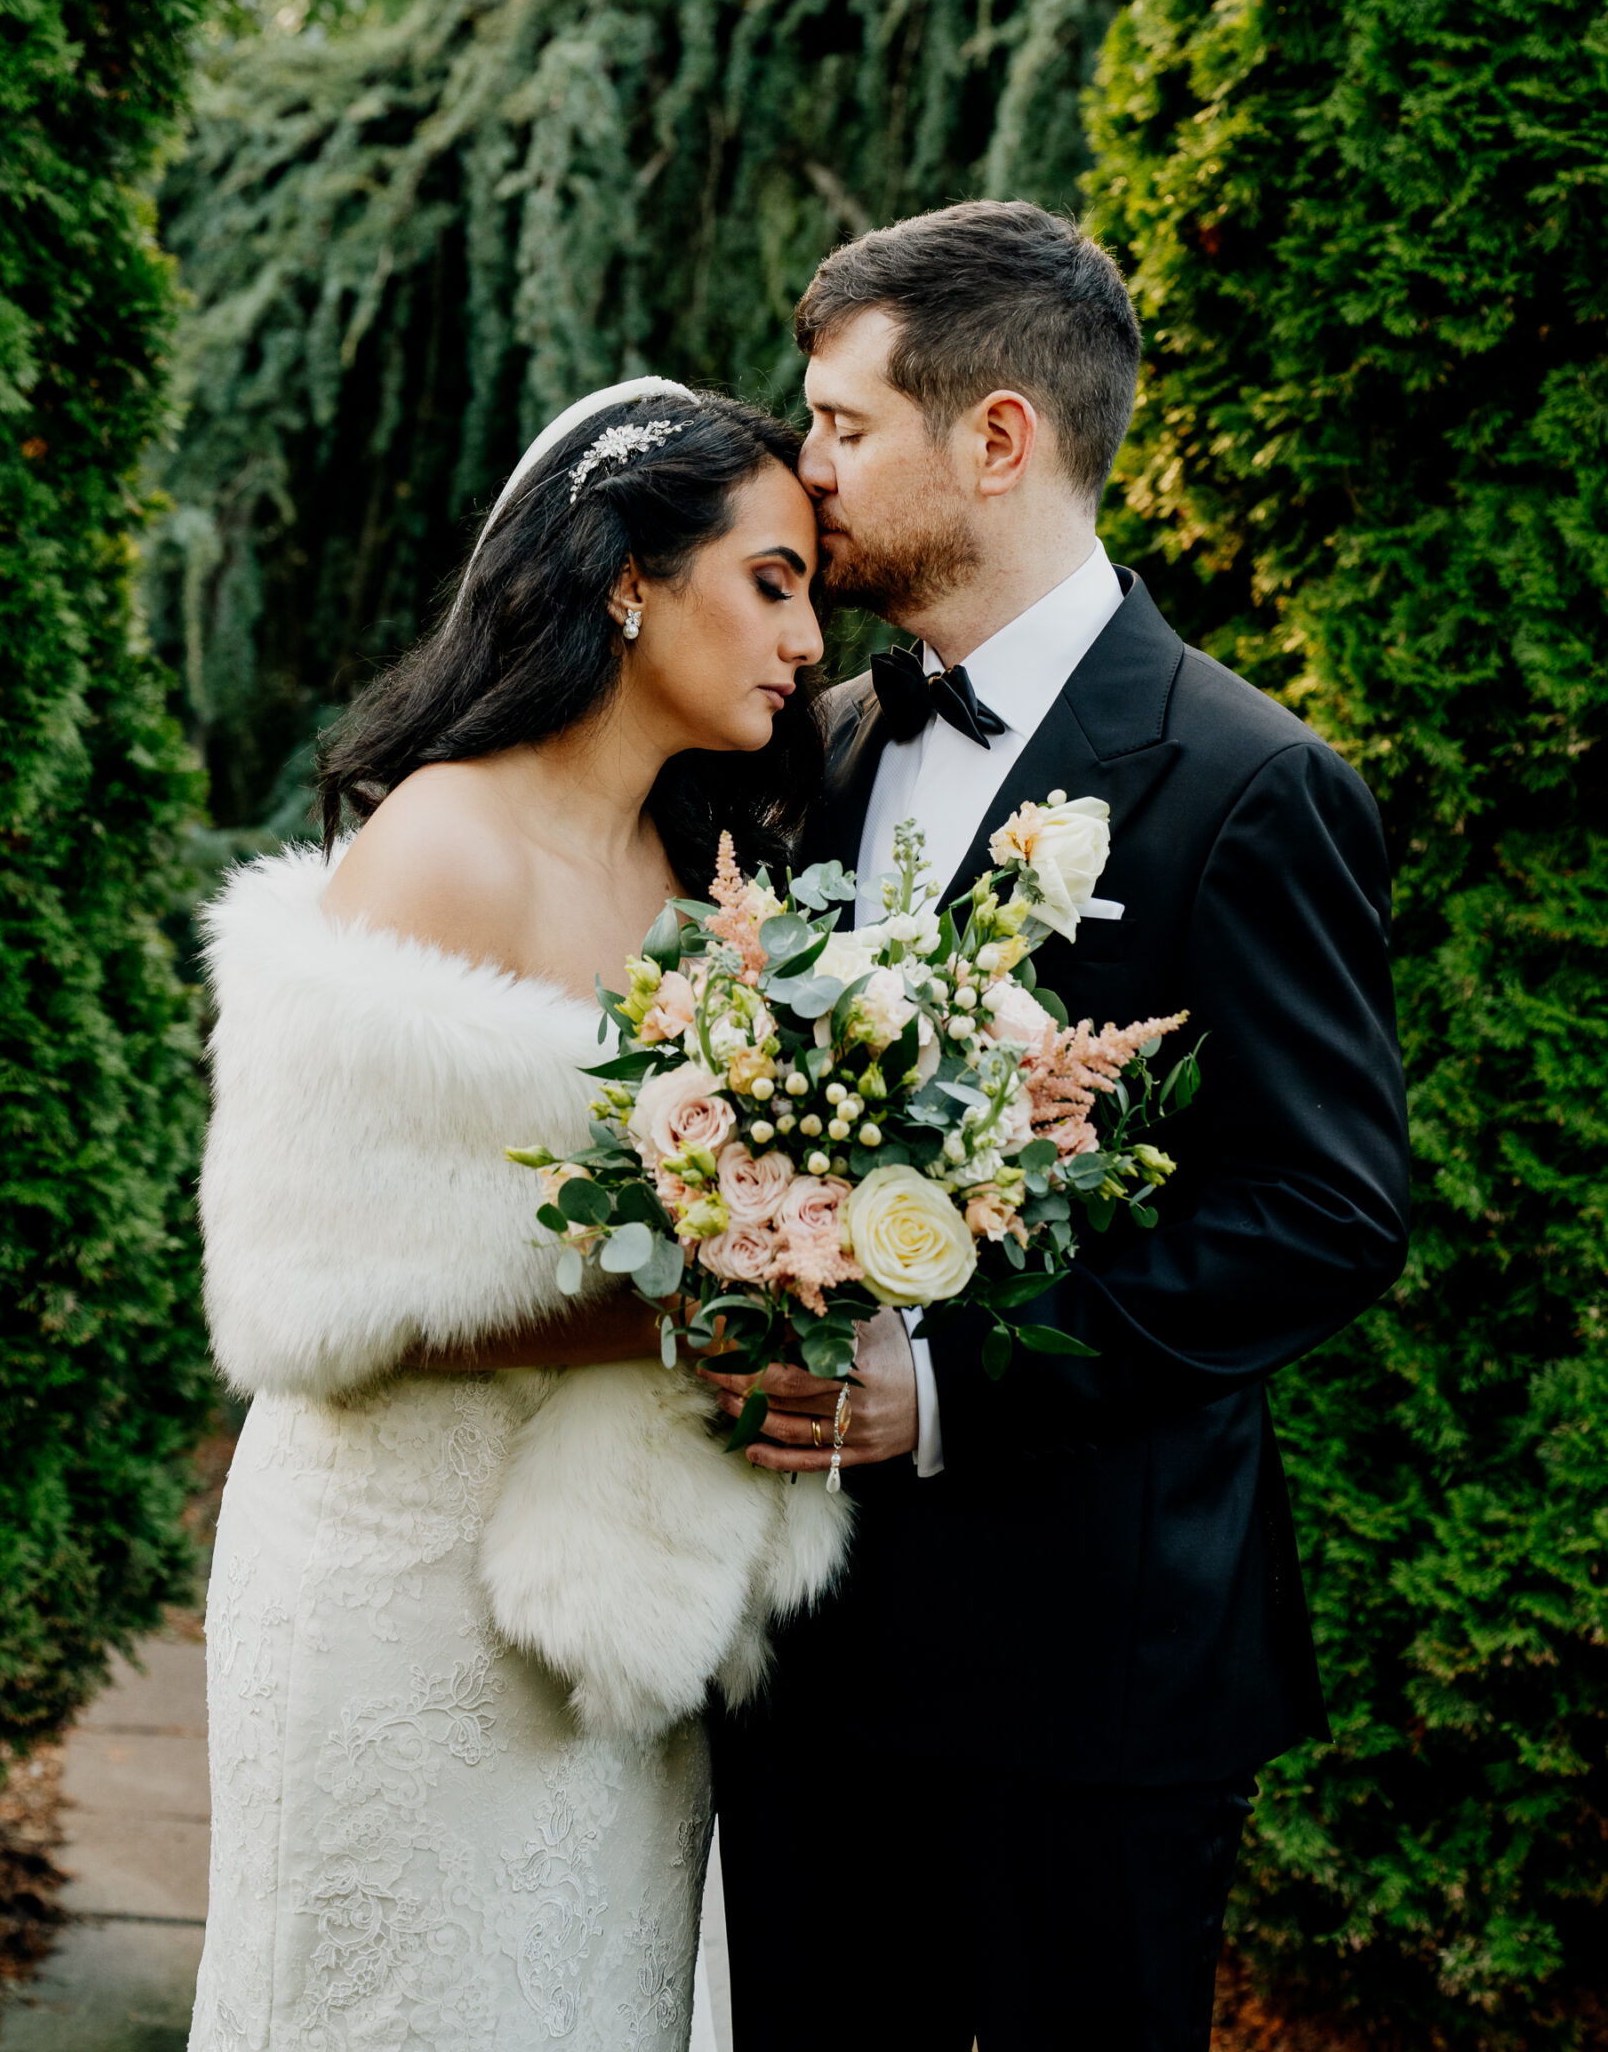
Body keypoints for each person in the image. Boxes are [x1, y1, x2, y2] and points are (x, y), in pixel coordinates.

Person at [706, 201, 1411, 2052]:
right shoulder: (824, 747)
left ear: (996, 437)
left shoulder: (1253, 786)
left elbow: (1326, 1211)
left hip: (1092, 1687)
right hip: (802, 1660)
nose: (807, 469)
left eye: (845, 426)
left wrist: (948, 1385)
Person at [187, 384, 836, 2052]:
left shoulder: (707, 888)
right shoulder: (442, 846)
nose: (810, 638)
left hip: (619, 1592)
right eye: (773, 580)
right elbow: (306, 1282)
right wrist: (705, 1292)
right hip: (402, 1580)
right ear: (629, 575)